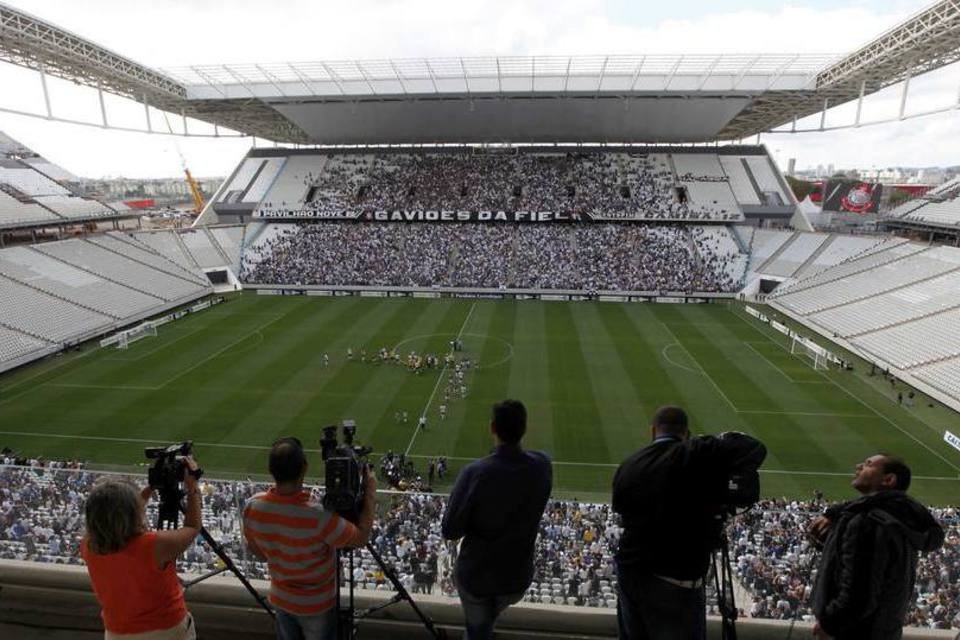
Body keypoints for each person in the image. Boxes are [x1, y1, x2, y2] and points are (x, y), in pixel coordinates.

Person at [612, 406, 766, 640]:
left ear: (652, 431)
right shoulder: (694, 453)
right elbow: (754, 447)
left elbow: (622, 513)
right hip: (674, 578)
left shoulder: (628, 465)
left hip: (629, 574)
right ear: (686, 432)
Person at [243, 437, 377, 640]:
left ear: (271, 470)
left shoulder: (252, 507)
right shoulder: (319, 516)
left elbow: (256, 551)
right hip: (317, 605)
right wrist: (370, 493)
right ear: (304, 468)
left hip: (280, 598)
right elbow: (360, 538)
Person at [441, 399, 552, 640]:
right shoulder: (543, 467)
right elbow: (535, 458)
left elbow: (450, 530)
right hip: (516, 577)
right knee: (485, 621)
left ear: (492, 428)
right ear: (525, 428)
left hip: (477, 577)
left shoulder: (476, 473)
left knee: (478, 629)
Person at [808, 454, 944, 640]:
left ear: (888, 480)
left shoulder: (869, 523)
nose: (858, 467)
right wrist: (834, 514)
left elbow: (859, 592)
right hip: (883, 630)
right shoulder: (898, 519)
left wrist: (831, 625)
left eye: (868, 464)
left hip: (855, 632)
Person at [81, 457, 202, 639]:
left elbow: (117, 513)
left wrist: (151, 487)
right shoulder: (153, 545)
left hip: (116, 633)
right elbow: (193, 527)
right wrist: (192, 487)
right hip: (166, 631)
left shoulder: (88, 544)